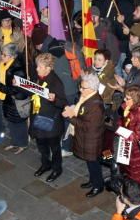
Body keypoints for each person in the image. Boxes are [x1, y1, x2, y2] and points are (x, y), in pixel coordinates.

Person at [64, 72, 106, 197]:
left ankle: (98, 186)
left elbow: (87, 125)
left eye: (83, 88)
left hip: (92, 139)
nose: (80, 90)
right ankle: (93, 181)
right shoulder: (87, 97)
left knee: (94, 163)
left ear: (92, 88)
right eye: (80, 87)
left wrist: (71, 116)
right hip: (86, 138)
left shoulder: (95, 106)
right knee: (90, 162)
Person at [30, 51, 67, 181]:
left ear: (48, 68)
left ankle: (57, 169)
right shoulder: (37, 77)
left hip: (51, 123)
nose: (36, 68)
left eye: (40, 67)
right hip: (38, 118)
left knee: (55, 148)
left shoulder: (56, 82)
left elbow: (63, 103)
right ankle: (46, 164)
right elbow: (31, 90)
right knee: (41, 145)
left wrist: (54, 99)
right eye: (37, 66)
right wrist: (19, 84)